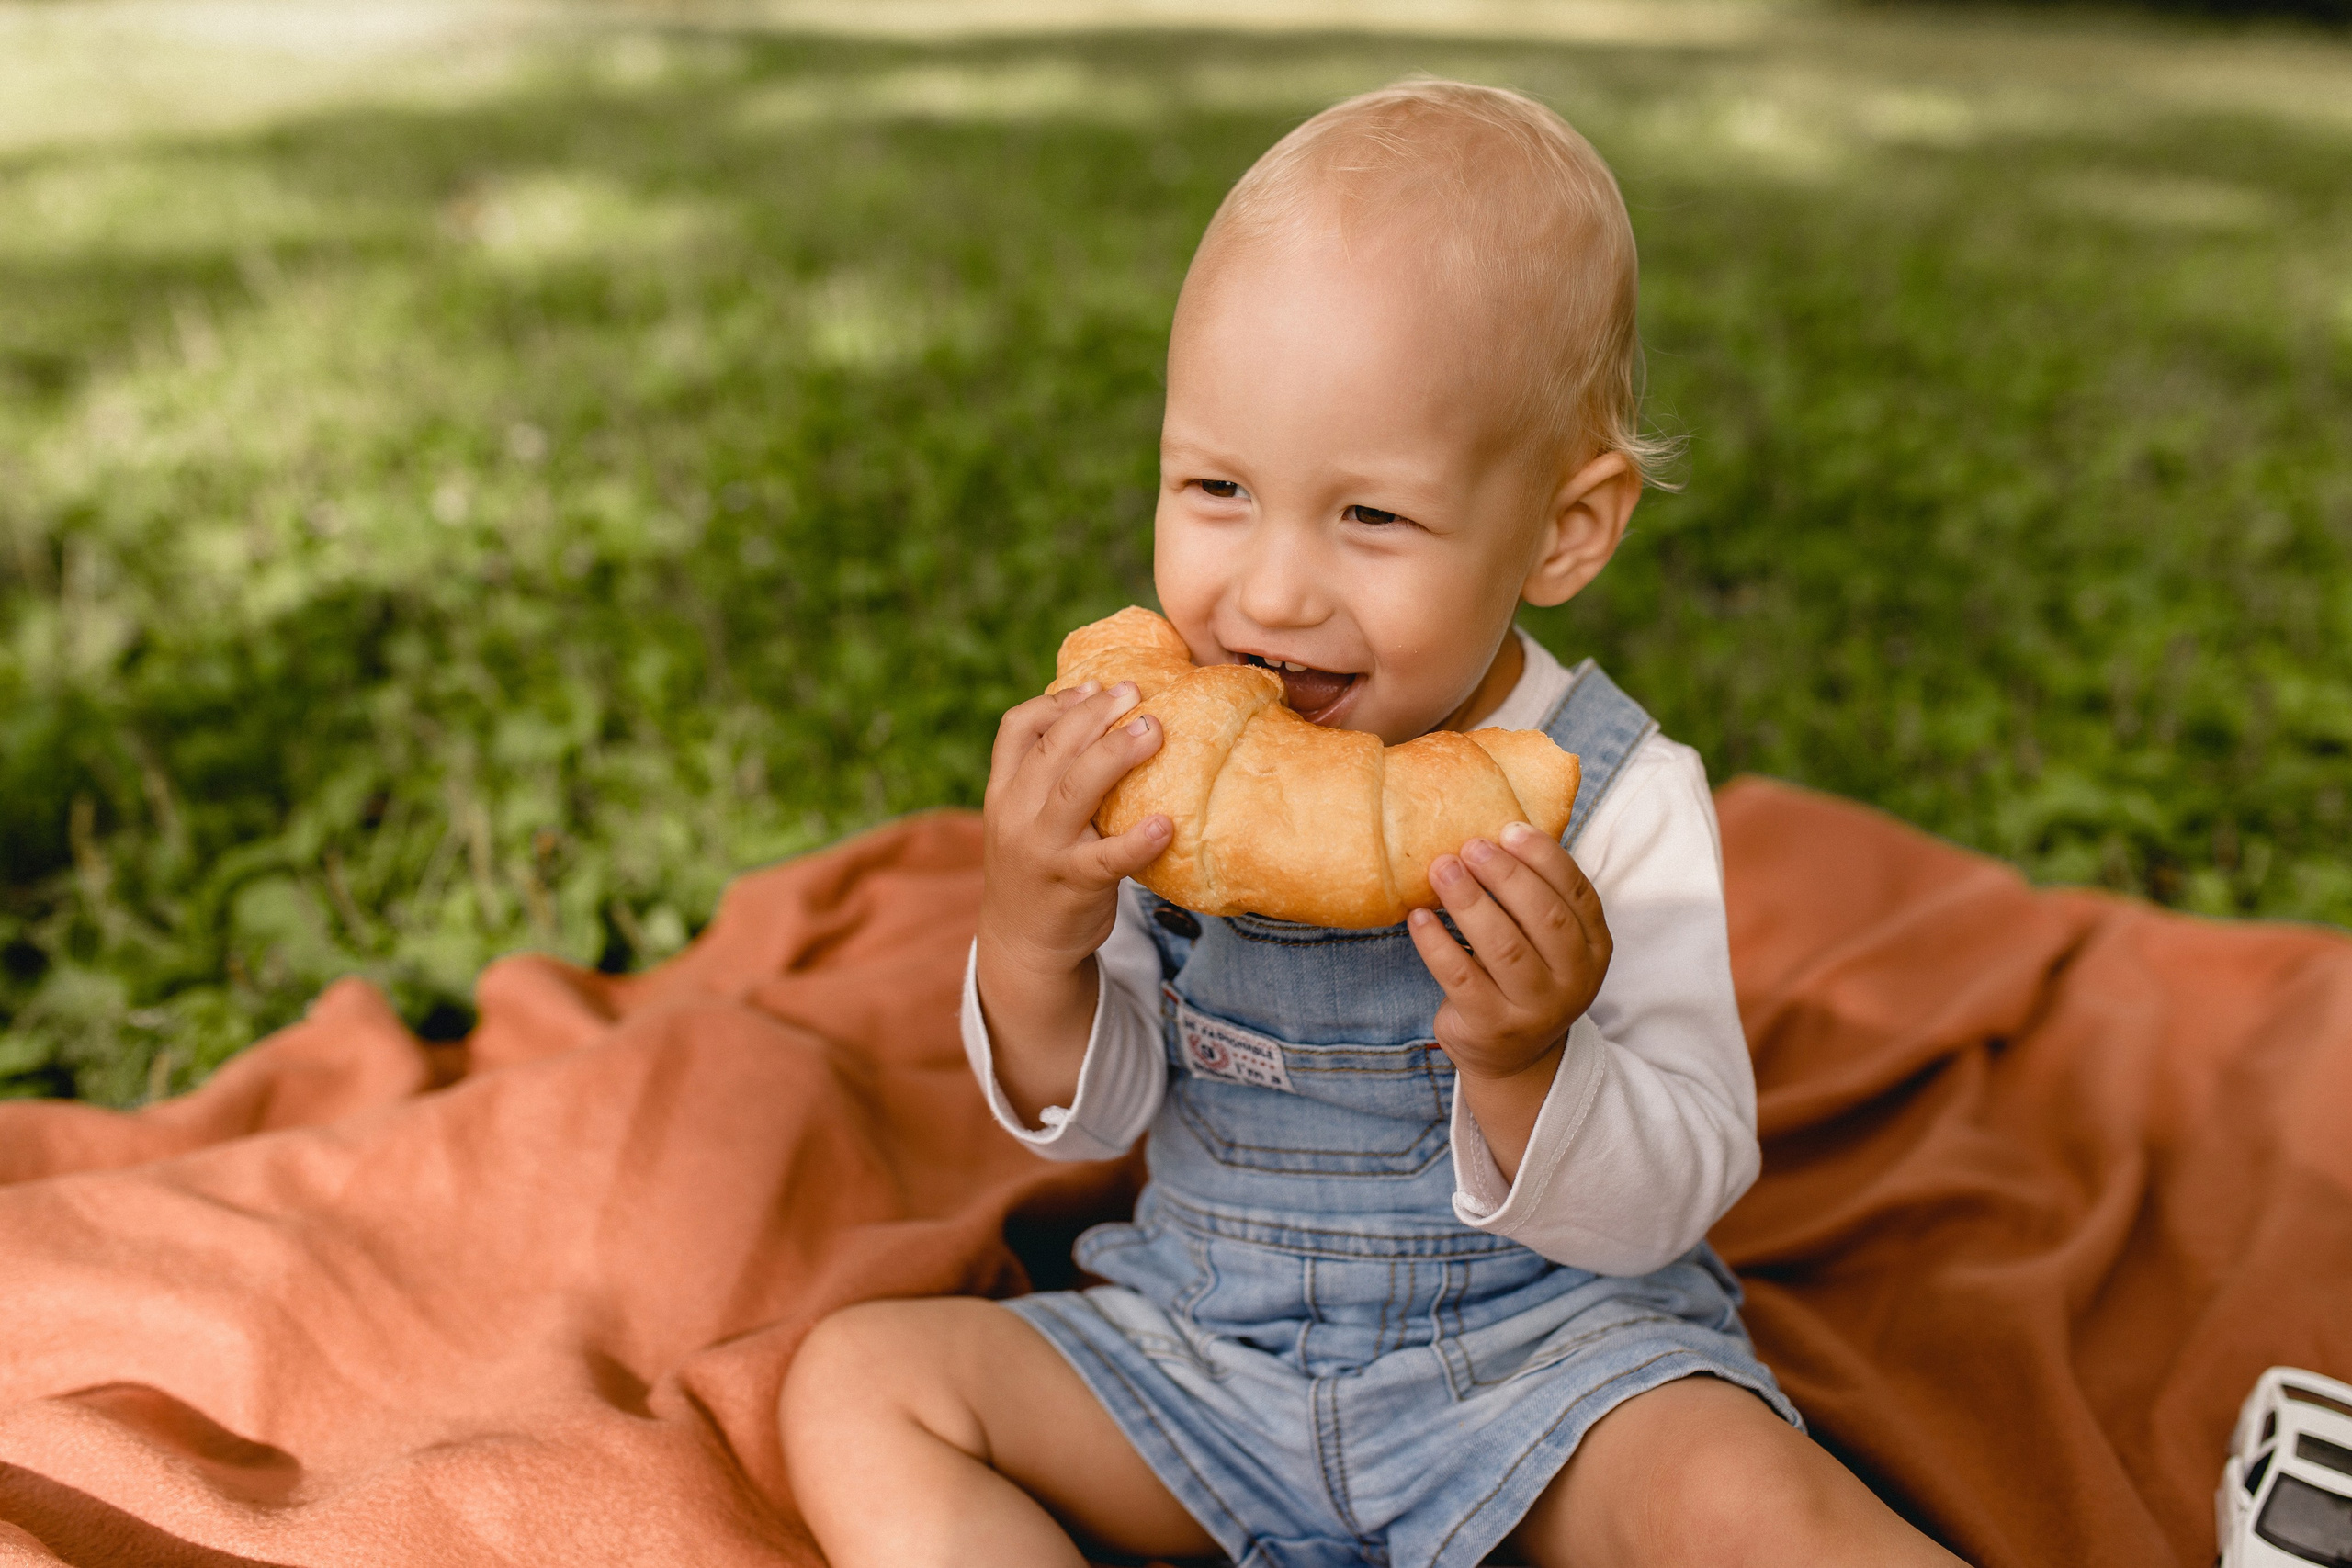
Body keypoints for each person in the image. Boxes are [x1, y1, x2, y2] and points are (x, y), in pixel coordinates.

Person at [782, 80, 1966, 1568]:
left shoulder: (1611, 793)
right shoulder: (1162, 750)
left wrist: (1538, 1060)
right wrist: (1033, 934)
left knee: (1740, 1494)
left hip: (1547, 1374)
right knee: (860, 1386)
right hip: (1210, 1359)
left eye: (1371, 519)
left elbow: (1685, 1178)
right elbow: (1092, 1115)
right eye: (1218, 488)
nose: (1271, 594)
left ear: (1562, 530)